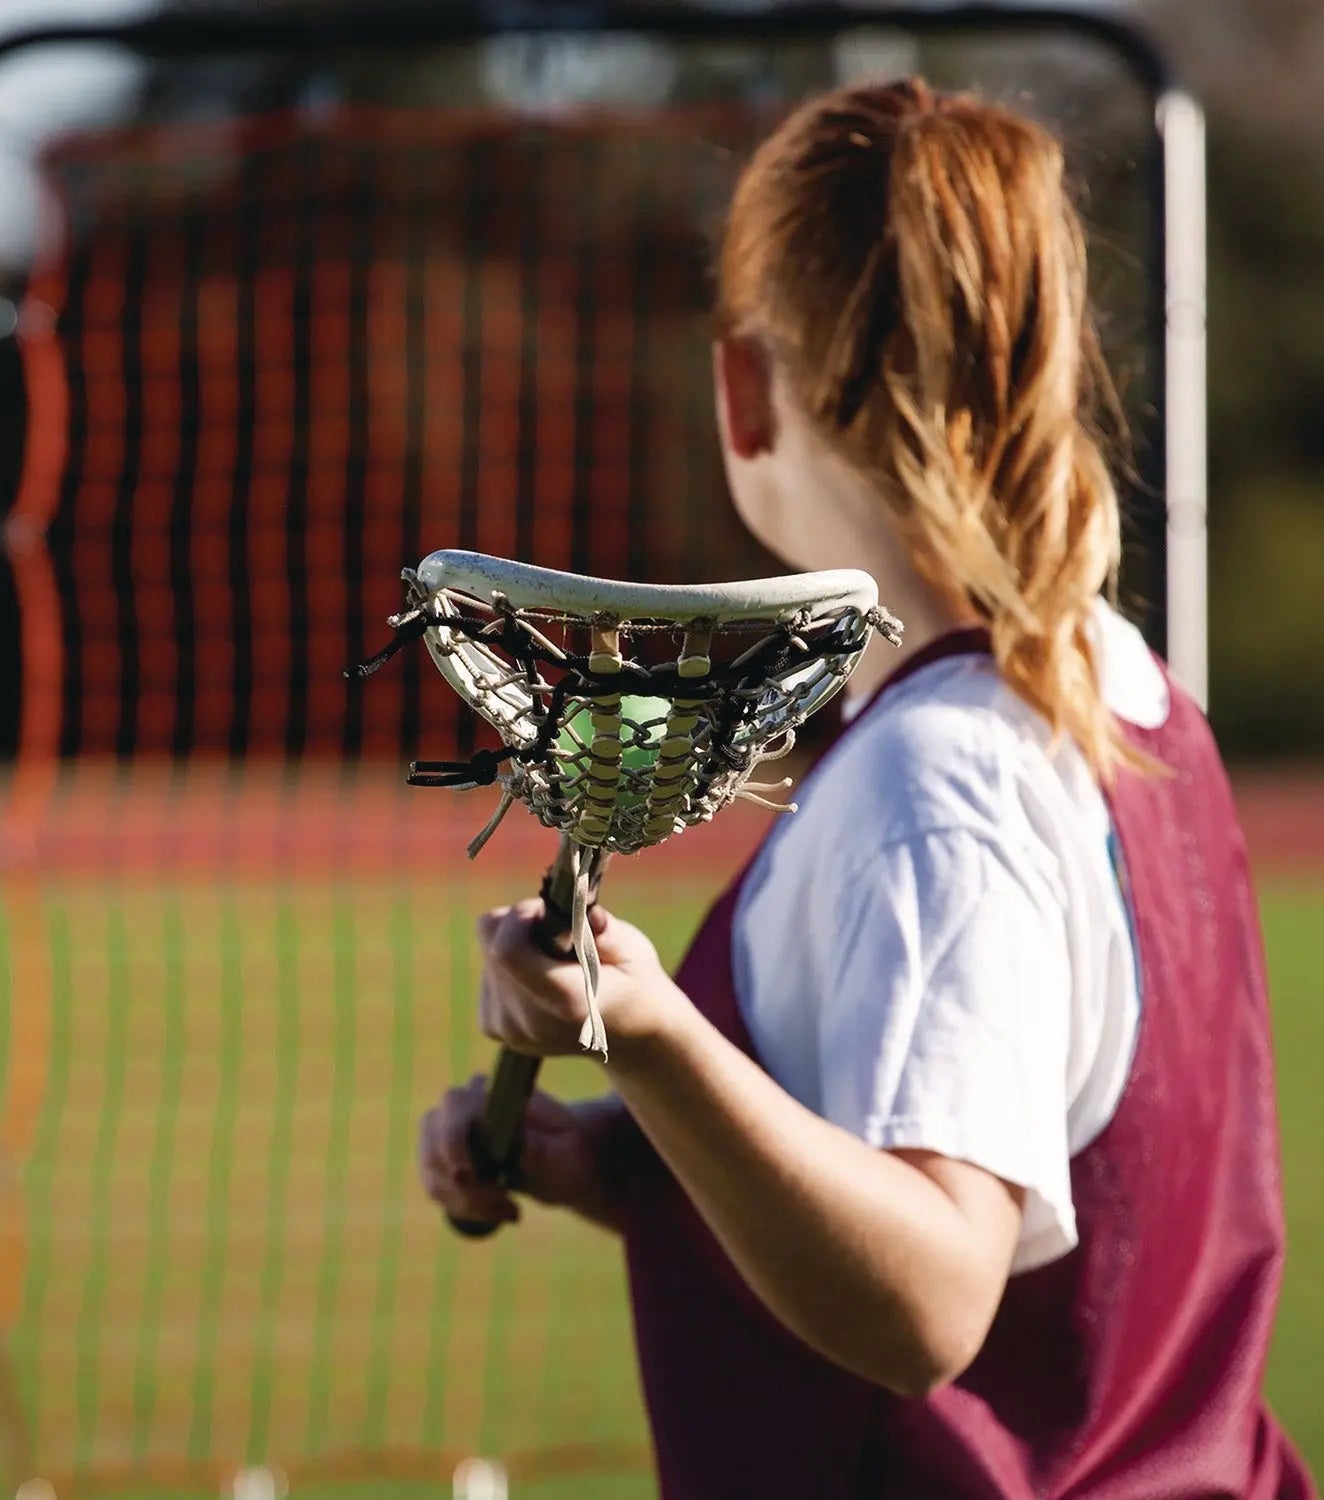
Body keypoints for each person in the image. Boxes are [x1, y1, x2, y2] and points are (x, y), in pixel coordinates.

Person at [417, 79, 1313, 1498]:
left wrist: (646, 1038)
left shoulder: (938, 779)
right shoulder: (1124, 690)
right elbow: (1018, 1181)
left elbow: (930, 1301)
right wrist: (630, 1164)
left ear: (741, 389)